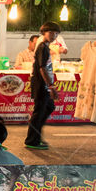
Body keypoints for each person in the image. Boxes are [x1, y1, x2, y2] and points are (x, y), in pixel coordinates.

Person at [24, 21, 61, 150]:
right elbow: (42, 68)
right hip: (41, 84)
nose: (53, 35)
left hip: (44, 84)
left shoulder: (46, 47)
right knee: (39, 112)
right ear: (44, 33)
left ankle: (37, 135)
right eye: (51, 32)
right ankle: (32, 140)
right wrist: (51, 87)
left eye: (56, 33)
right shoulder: (42, 48)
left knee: (49, 107)